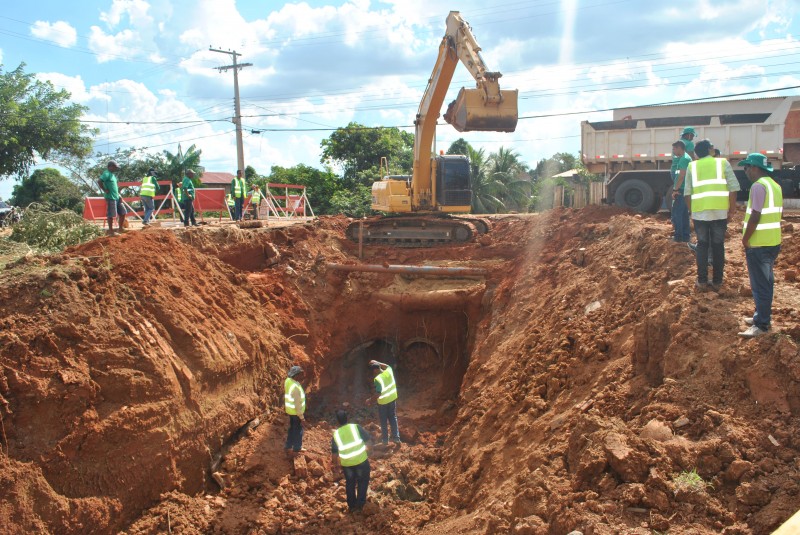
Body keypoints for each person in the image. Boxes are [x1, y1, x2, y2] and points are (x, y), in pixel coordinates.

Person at [684, 139, 740, 291]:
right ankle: (717, 281)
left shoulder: (692, 166)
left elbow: (687, 193)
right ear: (710, 150)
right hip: (720, 212)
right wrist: (732, 210)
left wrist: (692, 211)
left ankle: (702, 281)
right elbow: (733, 187)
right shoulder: (723, 163)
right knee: (718, 246)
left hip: (700, 213)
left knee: (702, 246)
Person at [738, 153, 783, 338]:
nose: (746, 171)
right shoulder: (775, 185)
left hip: (759, 244)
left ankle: (762, 324)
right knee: (766, 283)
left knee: (760, 285)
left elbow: (755, 216)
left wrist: (745, 239)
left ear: (755, 168)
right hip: (772, 242)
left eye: (747, 167)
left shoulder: (758, 186)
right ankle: (761, 316)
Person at [331, 409, 371, 513]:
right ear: (347, 418)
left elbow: (334, 453)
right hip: (361, 460)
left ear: (337, 422)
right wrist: (369, 451)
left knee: (350, 483)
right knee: (363, 481)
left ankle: (351, 505)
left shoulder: (336, 434)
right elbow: (368, 439)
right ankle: (360, 504)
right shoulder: (355, 427)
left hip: (347, 464)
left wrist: (335, 465)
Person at [367, 360, 400, 446]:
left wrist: (370, 400)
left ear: (375, 370)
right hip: (392, 399)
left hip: (383, 403)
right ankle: (396, 438)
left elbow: (378, 393)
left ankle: (385, 440)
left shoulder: (378, 379)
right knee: (393, 417)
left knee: (383, 421)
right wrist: (376, 362)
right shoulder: (389, 371)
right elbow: (387, 365)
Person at [670, 140, 692, 242]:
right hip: (684, 189)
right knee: (683, 214)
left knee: (677, 213)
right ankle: (685, 236)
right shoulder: (686, 157)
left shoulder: (684, 159)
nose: (673, 151)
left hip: (681, 189)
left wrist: (675, 189)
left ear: (679, 148)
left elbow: (681, 175)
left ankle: (678, 237)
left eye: (674, 149)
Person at [98, 160, 127, 235]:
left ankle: (120, 228)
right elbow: (99, 181)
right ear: (110, 166)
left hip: (116, 197)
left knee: (123, 212)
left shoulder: (112, 175)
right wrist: (105, 190)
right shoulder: (106, 173)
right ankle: (111, 231)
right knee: (111, 214)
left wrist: (119, 195)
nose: (115, 169)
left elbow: (115, 187)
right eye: (114, 167)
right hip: (110, 197)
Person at [284, 365, 306, 455]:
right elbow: (297, 405)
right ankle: (297, 448)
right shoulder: (295, 388)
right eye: (300, 374)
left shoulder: (288, 381)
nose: (302, 376)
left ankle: (288, 446)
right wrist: (302, 417)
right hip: (296, 413)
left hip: (290, 411)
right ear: (296, 375)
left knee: (292, 428)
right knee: (298, 430)